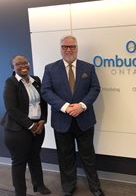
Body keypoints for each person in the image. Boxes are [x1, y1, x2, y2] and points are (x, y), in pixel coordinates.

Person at [41, 35, 104, 196]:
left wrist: (82, 106)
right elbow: (46, 91)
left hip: (85, 119)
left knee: (88, 156)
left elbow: (95, 89)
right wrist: (65, 107)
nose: (68, 50)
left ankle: (95, 187)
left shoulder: (88, 68)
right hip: (62, 121)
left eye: (72, 47)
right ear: (60, 48)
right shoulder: (50, 68)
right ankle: (68, 188)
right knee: (65, 157)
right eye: (65, 47)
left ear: (77, 48)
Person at [1, 55, 51, 196]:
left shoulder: (36, 80)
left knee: (35, 156)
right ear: (13, 67)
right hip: (17, 130)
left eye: (25, 62)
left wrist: (42, 120)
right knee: (19, 163)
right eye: (18, 64)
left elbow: (43, 102)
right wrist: (31, 126)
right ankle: (20, 192)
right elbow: (12, 109)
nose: (23, 65)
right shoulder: (10, 83)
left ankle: (39, 185)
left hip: (38, 126)